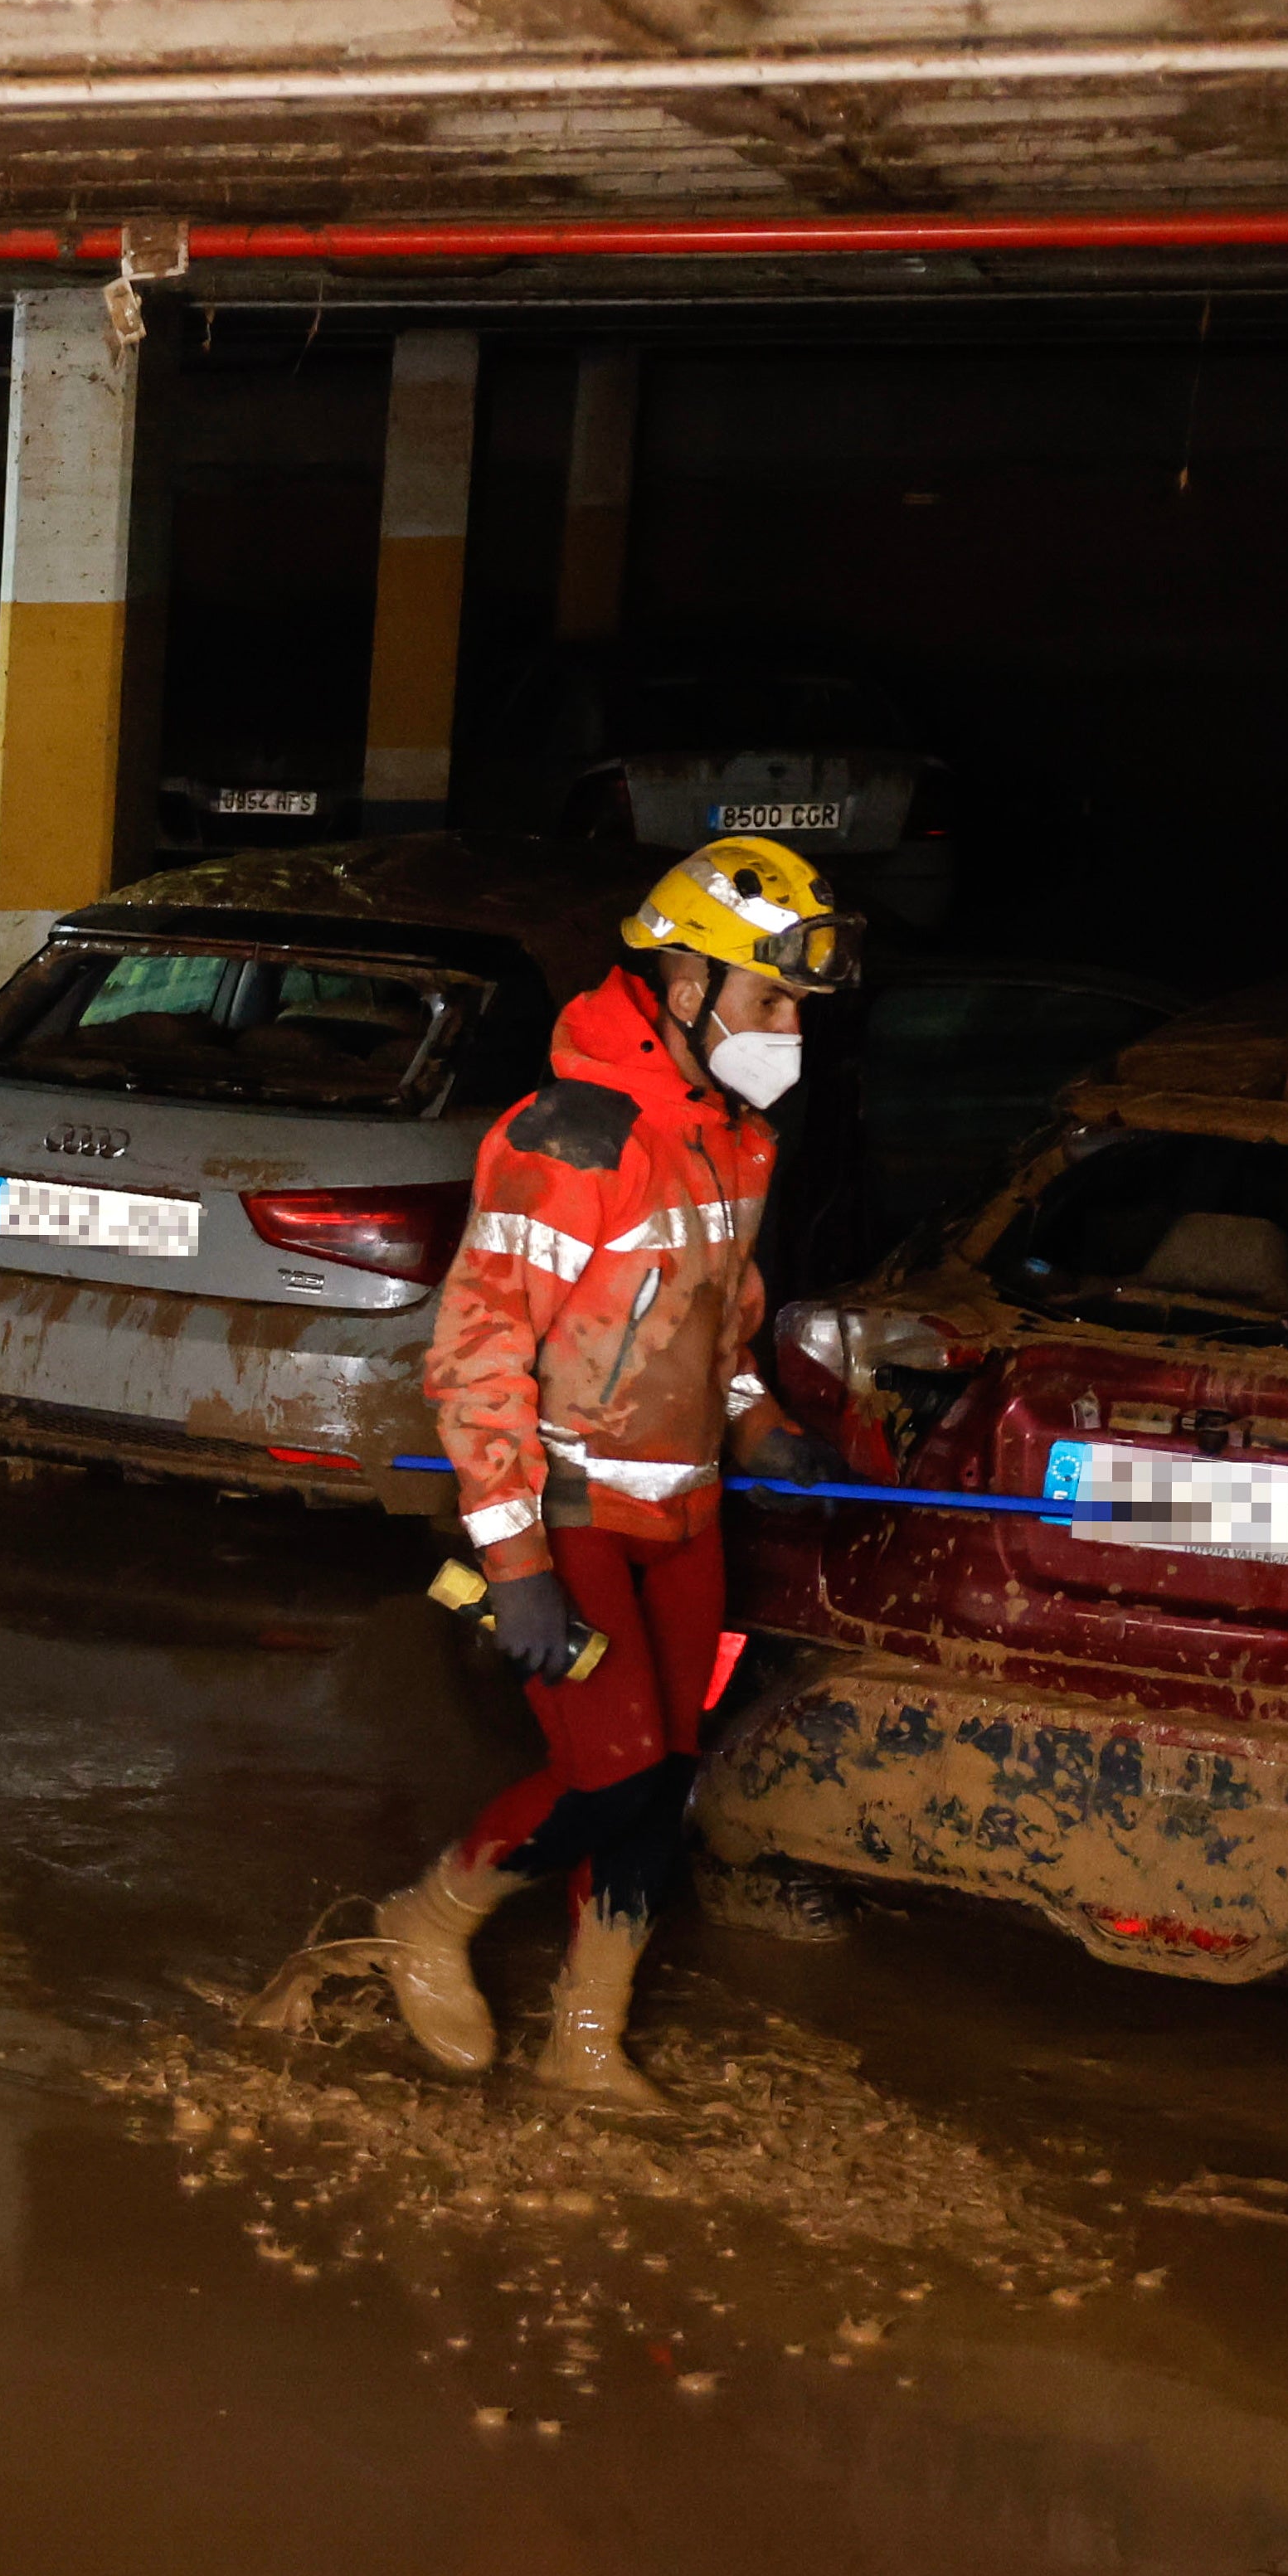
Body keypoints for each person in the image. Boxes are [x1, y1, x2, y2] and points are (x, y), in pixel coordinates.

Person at [348, 832, 857, 2113]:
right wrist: (512, 1562)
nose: (787, 1025)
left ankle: (587, 2037)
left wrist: (753, 1425)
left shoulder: (730, 1136)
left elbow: (716, 1316)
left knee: (663, 1785)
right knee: (613, 1771)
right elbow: (472, 1357)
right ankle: (429, 1912)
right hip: (568, 1506)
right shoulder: (571, 1137)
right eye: (769, 996)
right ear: (685, 988)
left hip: (680, 1511)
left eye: (794, 1002)